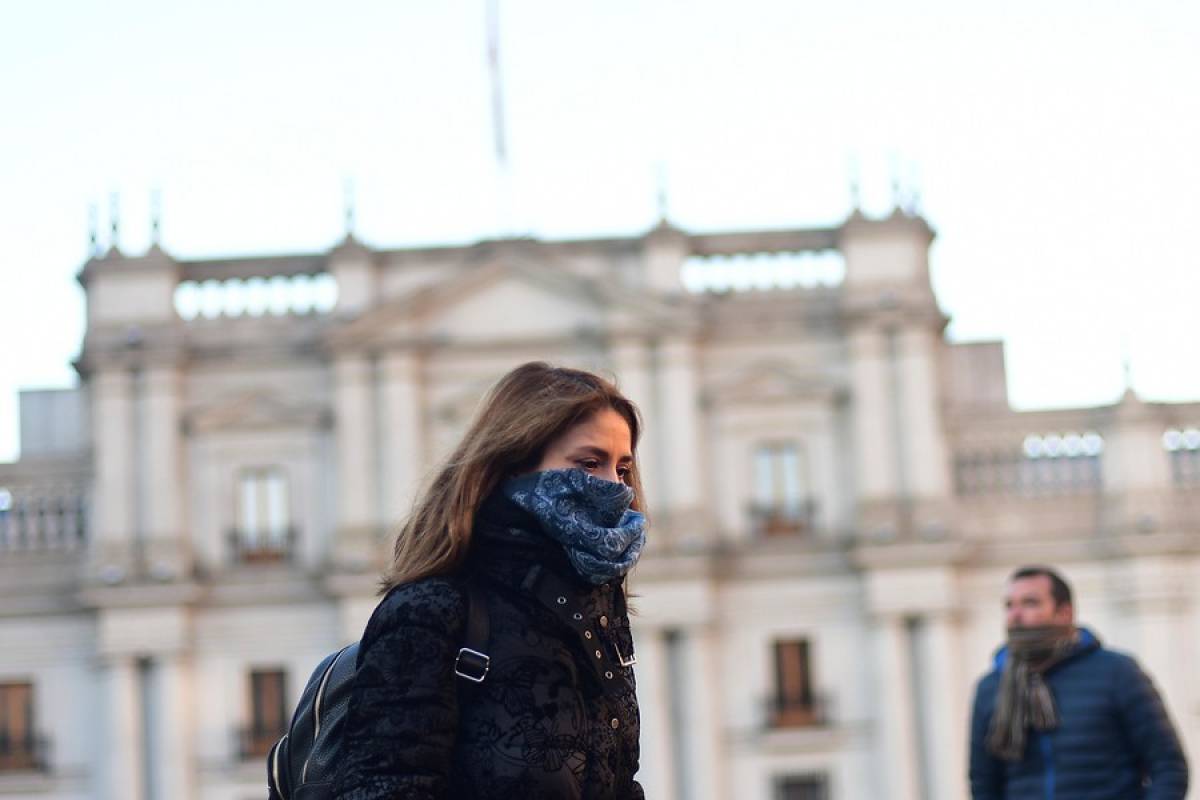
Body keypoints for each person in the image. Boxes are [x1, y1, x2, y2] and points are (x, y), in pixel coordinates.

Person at [334, 361, 647, 799]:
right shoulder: (430, 611)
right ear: (512, 466)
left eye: (622, 468)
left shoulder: (598, 613)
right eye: (589, 462)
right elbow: (385, 787)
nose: (613, 487)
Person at [968, 565, 1188, 799]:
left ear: (1064, 613)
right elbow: (984, 782)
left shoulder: (1117, 672)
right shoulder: (991, 687)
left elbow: (1168, 766)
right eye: (1009, 605)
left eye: (1030, 603)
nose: (1016, 615)